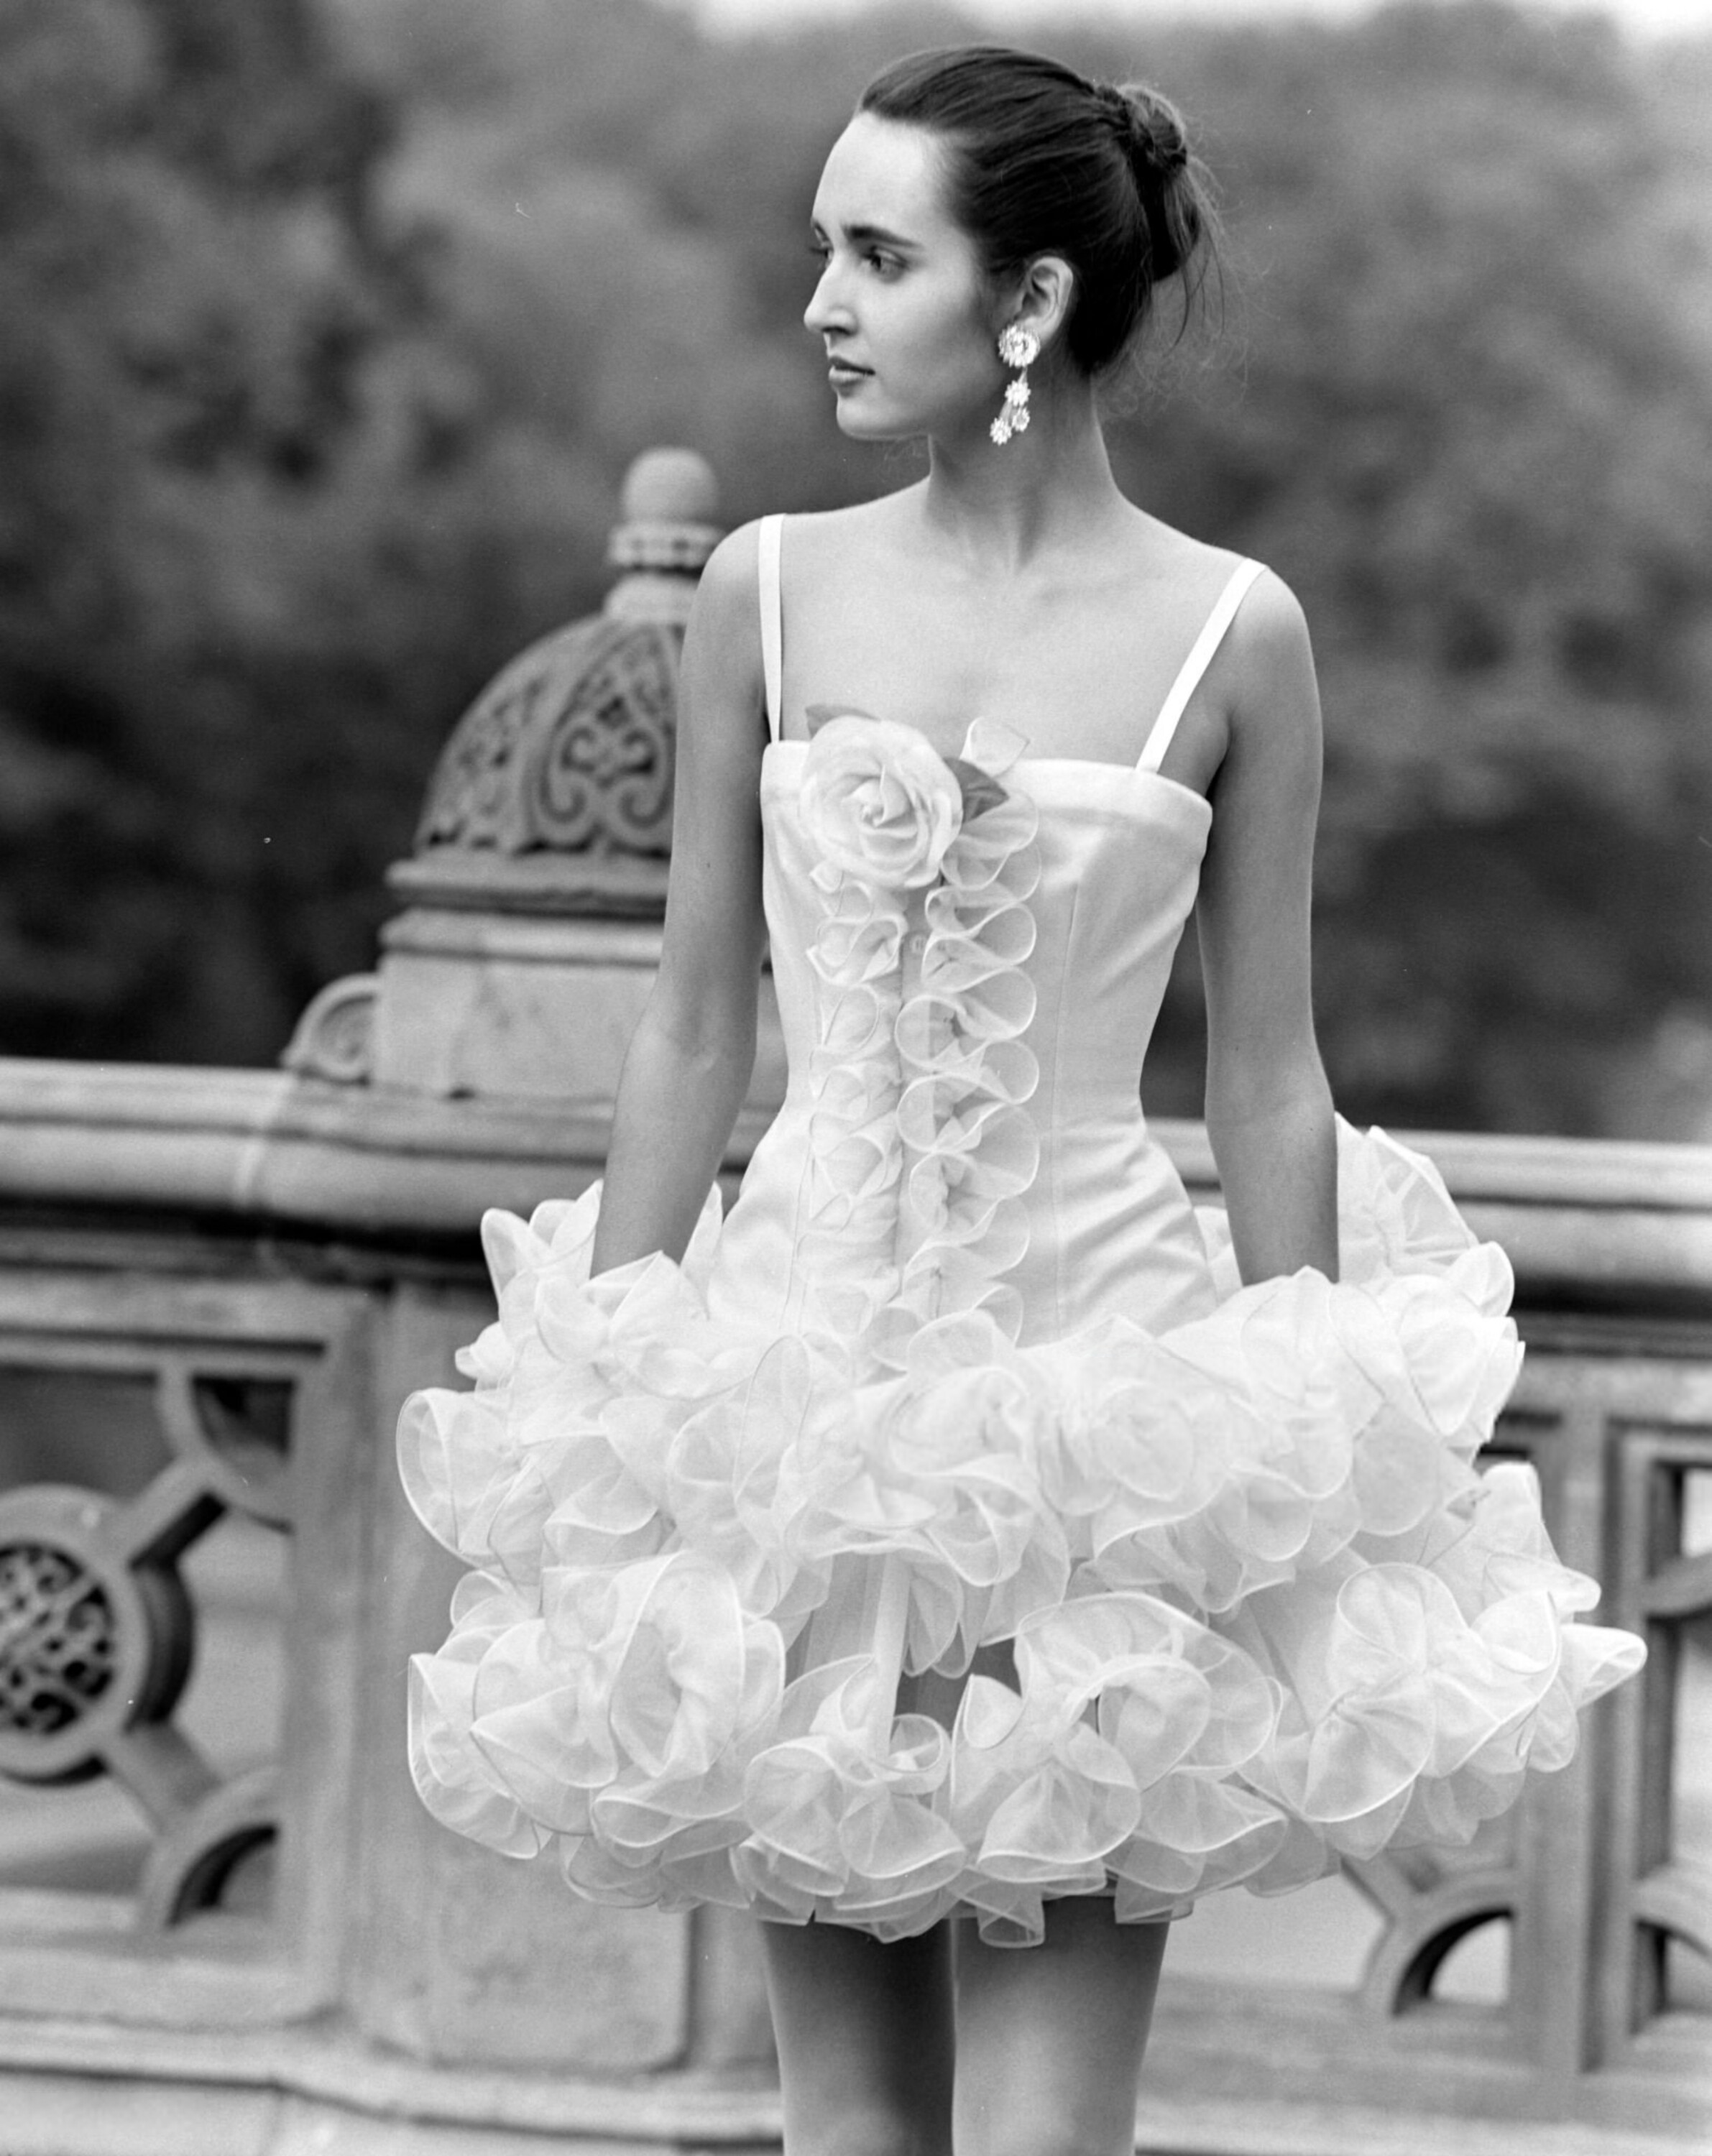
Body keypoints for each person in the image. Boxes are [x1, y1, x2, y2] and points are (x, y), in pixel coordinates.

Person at [397, 45, 1645, 2156]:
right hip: (797, 1403)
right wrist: (599, 1380)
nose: (821, 302)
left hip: (1103, 1417)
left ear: (1033, 300)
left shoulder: (1236, 633)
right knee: (851, 2129)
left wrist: (1321, 1428)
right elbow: (693, 1029)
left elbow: (1267, 1070)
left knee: (1049, 2136)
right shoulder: (762, 592)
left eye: (879, 257)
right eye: (826, 248)